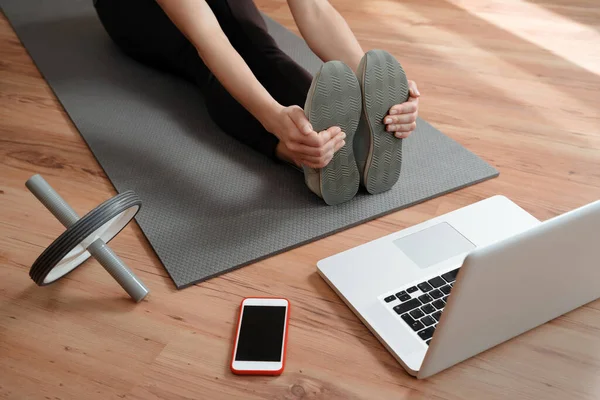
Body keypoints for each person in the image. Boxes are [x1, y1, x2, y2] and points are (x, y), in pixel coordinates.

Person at [93, 0, 420, 202]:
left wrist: (370, 80)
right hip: (132, 9)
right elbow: (211, 40)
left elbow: (315, 9)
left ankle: (334, 131)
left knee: (258, 45)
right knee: (202, 61)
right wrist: (275, 119)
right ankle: (296, 152)